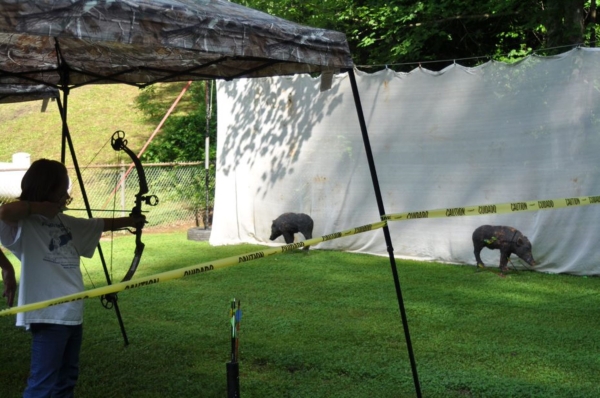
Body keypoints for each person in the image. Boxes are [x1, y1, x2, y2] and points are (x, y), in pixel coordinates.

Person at [0, 158, 145, 398]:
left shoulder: (65, 222)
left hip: (72, 312)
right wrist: (7, 267)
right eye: (60, 192)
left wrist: (133, 220)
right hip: (47, 313)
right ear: (46, 189)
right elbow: (4, 211)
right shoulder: (21, 225)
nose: (65, 198)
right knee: (42, 383)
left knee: (66, 380)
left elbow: (101, 224)